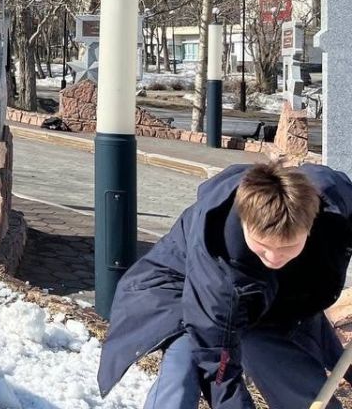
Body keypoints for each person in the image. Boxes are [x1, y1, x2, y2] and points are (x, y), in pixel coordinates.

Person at [98, 160, 352, 408]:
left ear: (310, 226)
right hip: (174, 291)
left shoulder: (333, 203)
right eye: (263, 247)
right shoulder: (218, 269)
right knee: (186, 360)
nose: (274, 257)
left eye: (287, 247)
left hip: (270, 299)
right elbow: (217, 366)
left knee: (286, 371)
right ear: (244, 223)